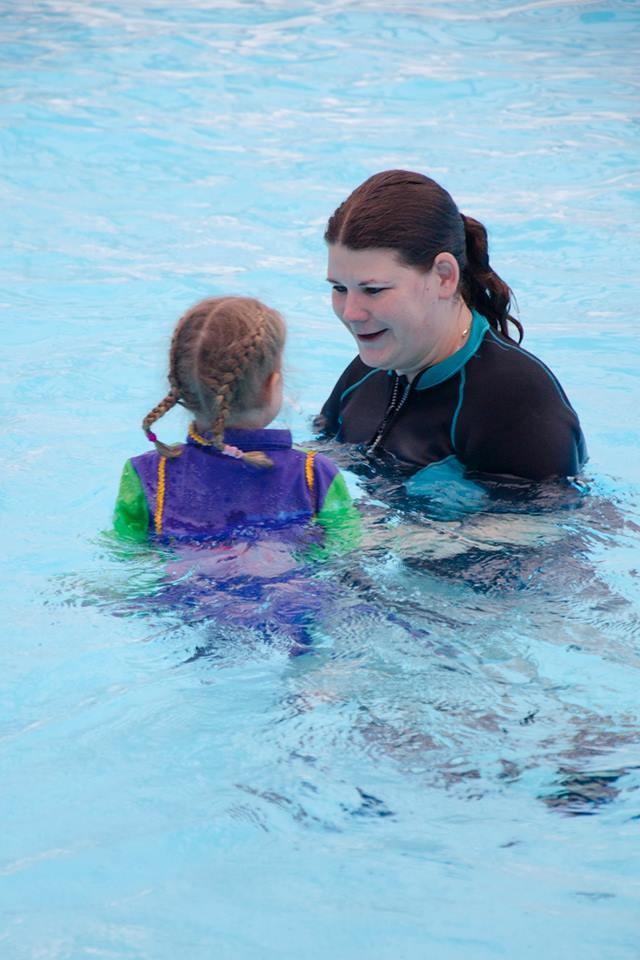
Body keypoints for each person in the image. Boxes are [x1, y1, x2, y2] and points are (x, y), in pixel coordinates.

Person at [318, 170, 587, 490]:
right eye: (339, 288)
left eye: (373, 290)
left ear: (444, 276)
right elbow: (315, 463)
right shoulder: (370, 368)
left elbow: (548, 528)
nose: (351, 313)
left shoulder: (514, 397)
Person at [114, 296, 358, 557]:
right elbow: (345, 549)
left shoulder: (147, 474)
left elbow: (127, 553)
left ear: (179, 389)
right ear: (273, 385)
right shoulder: (315, 474)